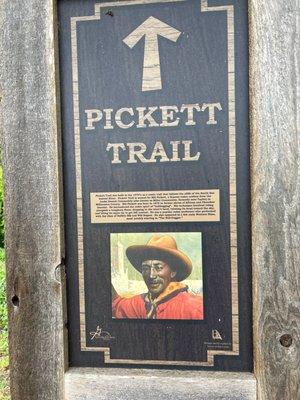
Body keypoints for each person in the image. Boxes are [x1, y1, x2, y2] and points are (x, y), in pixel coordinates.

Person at [112, 235, 203, 320]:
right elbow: (115, 305)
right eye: (146, 268)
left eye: (158, 268)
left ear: (173, 272)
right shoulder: (138, 304)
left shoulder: (195, 308)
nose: (151, 275)